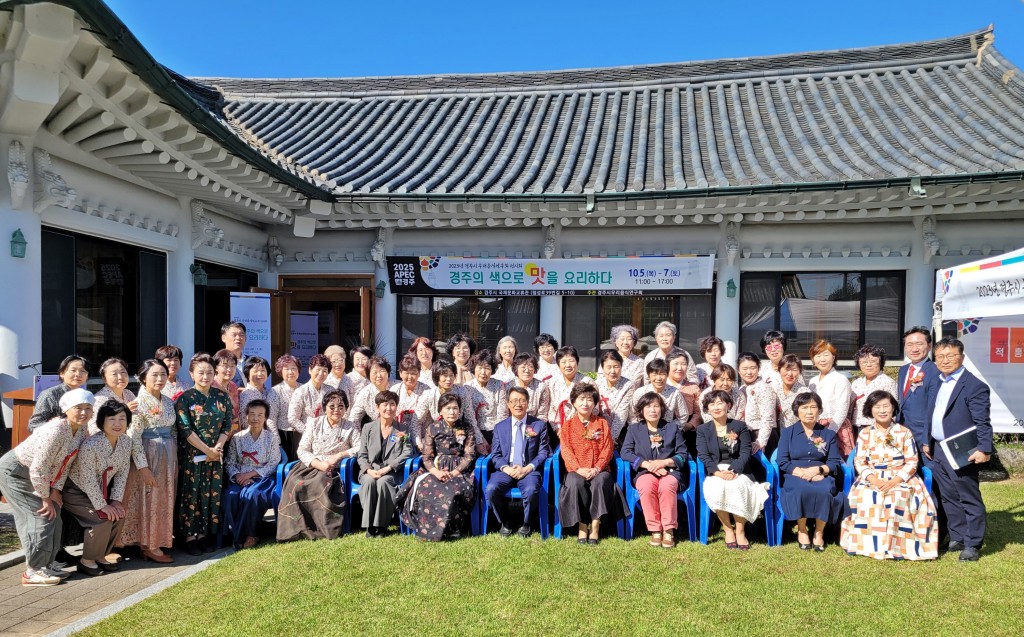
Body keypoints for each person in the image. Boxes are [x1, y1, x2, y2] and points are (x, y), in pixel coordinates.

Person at [0, 388, 93, 586]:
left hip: (41, 477)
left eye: (88, 408)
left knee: (55, 517)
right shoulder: (55, 430)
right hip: (16, 473)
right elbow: (38, 468)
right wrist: (45, 497)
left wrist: (56, 490)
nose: (83, 412)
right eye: (78, 408)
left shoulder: (81, 430)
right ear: (66, 409)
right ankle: (32, 572)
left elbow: (64, 464)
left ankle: (47, 565)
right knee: (41, 516)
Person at [841, 391, 938, 560]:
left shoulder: (904, 432)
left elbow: (912, 461)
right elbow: (859, 461)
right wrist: (874, 480)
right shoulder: (865, 434)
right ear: (870, 410)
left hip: (901, 476)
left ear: (893, 408)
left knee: (897, 496)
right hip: (873, 476)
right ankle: (867, 545)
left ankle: (898, 547)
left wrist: (895, 481)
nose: (882, 410)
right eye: (877, 407)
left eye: (886, 406)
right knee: (868, 495)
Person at [924, 337, 992, 562]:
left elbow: (983, 421)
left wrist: (984, 448)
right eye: (940, 356)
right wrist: (927, 441)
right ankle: (958, 536)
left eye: (951, 355)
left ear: (961, 358)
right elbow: (932, 414)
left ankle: (973, 543)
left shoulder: (974, 385)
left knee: (968, 496)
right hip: (939, 449)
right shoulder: (938, 380)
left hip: (963, 450)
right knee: (948, 496)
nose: (945, 360)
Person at [277, 389, 360, 542]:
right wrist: (318, 464)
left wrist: (340, 455)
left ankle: (322, 529)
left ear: (346, 408)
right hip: (312, 464)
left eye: (341, 406)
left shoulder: (351, 426)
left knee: (321, 483)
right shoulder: (314, 423)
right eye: (332, 406)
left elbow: (359, 447)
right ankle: (296, 529)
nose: (336, 410)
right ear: (324, 408)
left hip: (335, 467)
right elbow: (302, 449)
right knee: (296, 485)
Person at [63, 401, 131, 576]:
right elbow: (87, 479)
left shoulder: (126, 442)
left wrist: (116, 501)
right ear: (101, 422)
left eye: (122, 418)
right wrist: (102, 506)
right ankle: (86, 561)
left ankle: (101, 555)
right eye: (112, 419)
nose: (118, 424)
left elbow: (122, 473)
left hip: (100, 491)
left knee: (119, 514)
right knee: (101, 518)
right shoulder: (90, 445)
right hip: (76, 491)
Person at [174, 353, 233, 555]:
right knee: (192, 493)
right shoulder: (185, 399)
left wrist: (217, 449)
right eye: (200, 372)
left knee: (212, 493)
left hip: (216, 455)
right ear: (191, 374)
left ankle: (205, 534)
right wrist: (207, 450)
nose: (205, 376)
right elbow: (186, 429)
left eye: (209, 372)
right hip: (193, 455)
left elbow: (227, 425)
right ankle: (190, 536)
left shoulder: (221, 396)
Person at [398, 392, 478, 541]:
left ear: (460, 411)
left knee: (452, 489)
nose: (452, 412)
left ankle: (452, 528)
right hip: (436, 468)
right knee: (426, 488)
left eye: (455, 408)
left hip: (460, 470)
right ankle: (425, 529)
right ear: (440, 410)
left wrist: (454, 472)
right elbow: (427, 457)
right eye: (448, 408)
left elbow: (469, 456)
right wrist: (436, 472)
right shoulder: (433, 428)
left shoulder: (467, 428)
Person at [119, 359, 177, 563]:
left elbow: (173, 430)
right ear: (143, 377)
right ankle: (148, 544)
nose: (160, 379)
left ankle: (158, 539)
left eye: (163, 374)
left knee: (163, 497)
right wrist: (143, 467)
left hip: (168, 455)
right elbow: (134, 436)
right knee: (147, 497)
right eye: (154, 375)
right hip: (147, 454)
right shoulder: (138, 403)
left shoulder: (168, 401)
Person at [696, 389, 768, 549]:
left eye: (720, 403)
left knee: (738, 486)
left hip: (739, 470)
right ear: (707, 408)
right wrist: (717, 473)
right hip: (716, 471)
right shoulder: (702, 430)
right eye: (712, 404)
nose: (716, 407)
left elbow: (745, 452)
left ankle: (740, 531)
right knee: (717, 486)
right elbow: (703, 455)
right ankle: (728, 529)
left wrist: (734, 471)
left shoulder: (740, 426)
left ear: (728, 405)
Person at [557, 384, 625, 545]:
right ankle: (581, 526)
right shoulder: (567, 426)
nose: (585, 403)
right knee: (575, 483)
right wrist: (578, 469)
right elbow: (566, 451)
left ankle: (595, 526)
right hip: (576, 469)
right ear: (573, 402)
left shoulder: (602, 423)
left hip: (599, 469)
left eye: (589, 399)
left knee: (600, 482)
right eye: (581, 399)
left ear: (595, 403)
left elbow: (608, 448)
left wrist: (597, 468)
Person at [777, 392, 844, 551]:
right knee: (800, 489)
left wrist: (818, 470)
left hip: (821, 474)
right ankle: (801, 530)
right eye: (804, 407)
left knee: (825, 491)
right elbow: (782, 461)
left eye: (813, 407)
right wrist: (802, 473)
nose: (809, 411)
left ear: (819, 410)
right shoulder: (788, 433)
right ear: (797, 411)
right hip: (795, 473)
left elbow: (834, 463)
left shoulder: (828, 434)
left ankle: (819, 532)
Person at [620, 393, 689, 548]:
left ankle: (669, 530)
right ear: (641, 410)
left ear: (662, 409)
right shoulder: (634, 429)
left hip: (670, 471)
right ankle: (655, 529)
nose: (653, 410)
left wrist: (663, 462)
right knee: (646, 485)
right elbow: (626, 453)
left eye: (656, 406)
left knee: (666, 486)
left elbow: (683, 454)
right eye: (648, 406)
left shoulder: (672, 428)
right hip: (645, 471)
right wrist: (647, 465)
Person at [486, 386, 551, 538]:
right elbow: (495, 455)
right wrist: (507, 469)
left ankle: (527, 523)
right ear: (508, 404)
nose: (518, 404)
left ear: (528, 403)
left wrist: (527, 468)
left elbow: (543, 452)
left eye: (522, 400)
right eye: (514, 401)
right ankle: (505, 521)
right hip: (507, 469)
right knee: (491, 489)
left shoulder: (538, 425)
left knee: (530, 489)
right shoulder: (500, 427)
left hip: (528, 469)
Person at [224, 399, 281, 549]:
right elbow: (229, 462)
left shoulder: (271, 438)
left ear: (265, 418)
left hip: (262, 477)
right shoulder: (238, 438)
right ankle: (233, 533)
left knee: (253, 495)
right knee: (231, 496)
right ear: (246, 416)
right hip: (240, 477)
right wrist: (237, 476)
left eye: (260, 415)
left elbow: (274, 462)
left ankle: (250, 534)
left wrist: (251, 474)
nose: (255, 418)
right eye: (252, 414)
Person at [357, 391, 413, 537]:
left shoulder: (402, 429)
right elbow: (361, 455)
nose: (389, 408)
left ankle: (381, 526)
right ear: (377, 408)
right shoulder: (367, 428)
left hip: (391, 472)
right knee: (369, 482)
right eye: (385, 404)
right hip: (370, 470)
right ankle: (370, 526)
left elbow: (407, 452)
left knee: (383, 482)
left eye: (392, 404)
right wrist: (368, 470)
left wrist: (388, 468)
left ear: (396, 407)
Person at [417, 359, 482, 453]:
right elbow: (417, 421)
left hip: (458, 439)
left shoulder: (462, 392)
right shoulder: (428, 395)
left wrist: (479, 442)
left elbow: (470, 419)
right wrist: (419, 442)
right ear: (437, 377)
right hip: (435, 439)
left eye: (451, 375)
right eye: (445, 375)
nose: (449, 379)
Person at [806, 340, 855, 458]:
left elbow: (842, 410)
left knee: (836, 461)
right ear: (813, 360)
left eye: (826, 355)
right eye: (818, 355)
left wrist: (829, 433)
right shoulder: (812, 381)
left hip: (836, 427)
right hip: (816, 426)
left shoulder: (840, 379)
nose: (822, 359)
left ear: (833, 358)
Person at [896, 326, 939, 448]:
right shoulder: (903, 370)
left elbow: (933, 408)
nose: (914, 349)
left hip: (922, 436)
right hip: (902, 432)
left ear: (929, 346)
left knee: (927, 467)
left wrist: (927, 439)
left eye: (919, 344)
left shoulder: (935, 371)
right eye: (909, 345)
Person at [27, 355, 90, 432]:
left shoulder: (86, 395)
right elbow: (34, 425)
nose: (78, 374)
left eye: (83, 371)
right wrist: (56, 426)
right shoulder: (50, 394)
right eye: (73, 370)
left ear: (87, 376)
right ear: (62, 373)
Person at [736, 352, 778, 455]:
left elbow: (768, 417)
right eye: (745, 369)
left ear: (758, 368)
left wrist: (761, 441)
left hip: (761, 435)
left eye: (753, 368)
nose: (749, 372)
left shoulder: (763, 388)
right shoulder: (741, 389)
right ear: (738, 370)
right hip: (747, 434)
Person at [547, 346, 595, 434]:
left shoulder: (587, 381)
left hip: (583, 430)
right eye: (563, 362)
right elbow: (551, 409)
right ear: (558, 364)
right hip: (559, 431)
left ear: (577, 362)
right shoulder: (552, 383)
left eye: (571, 361)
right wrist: (558, 429)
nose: (568, 365)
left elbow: (594, 409)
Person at [850, 344, 898, 432]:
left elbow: (893, 409)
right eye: (864, 362)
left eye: (873, 361)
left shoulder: (887, 382)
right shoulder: (856, 382)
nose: (868, 365)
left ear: (880, 362)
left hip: (878, 427)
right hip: (855, 426)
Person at [496, 352, 551, 426]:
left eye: (531, 367)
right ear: (516, 369)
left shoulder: (542, 387)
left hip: (533, 425)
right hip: (511, 425)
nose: (527, 370)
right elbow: (503, 413)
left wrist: (533, 430)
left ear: (535, 369)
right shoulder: (507, 387)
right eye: (523, 367)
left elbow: (542, 414)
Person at [596, 351, 636, 446]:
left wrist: (611, 437)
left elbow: (622, 413)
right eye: (609, 367)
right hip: (598, 430)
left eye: (616, 366)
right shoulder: (596, 384)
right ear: (602, 368)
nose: (612, 371)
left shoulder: (628, 385)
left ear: (621, 367)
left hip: (620, 431)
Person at [464, 350, 506, 441]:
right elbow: (469, 416)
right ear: (474, 368)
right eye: (479, 367)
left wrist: (497, 437)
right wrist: (480, 439)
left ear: (492, 370)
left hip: (495, 431)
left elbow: (502, 414)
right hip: (474, 431)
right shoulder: (467, 387)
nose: (483, 372)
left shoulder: (498, 385)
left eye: (487, 368)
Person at [89, 357, 138, 433]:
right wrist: (124, 411)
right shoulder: (100, 399)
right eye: (114, 374)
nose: (120, 377)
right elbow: (94, 429)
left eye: (123, 372)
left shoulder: (129, 393)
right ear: (104, 379)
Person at [632, 359, 689, 424]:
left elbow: (683, 415)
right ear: (648, 376)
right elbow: (633, 414)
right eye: (654, 374)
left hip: (667, 432)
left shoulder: (675, 393)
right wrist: (638, 430)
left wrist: (671, 429)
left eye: (662, 374)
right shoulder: (640, 392)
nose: (658, 378)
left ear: (667, 375)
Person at [287, 353, 330, 439]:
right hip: (306, 436)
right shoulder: (301, 391)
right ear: (310, 370)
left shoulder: (331, 390)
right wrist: (309, 432)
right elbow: (292, 418)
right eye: (318, 370)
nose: (321, 373)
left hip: (327, 435)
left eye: (325, 371)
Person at [269, 354, 302, 462]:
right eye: (286, 369)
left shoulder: (304, 388)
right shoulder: (275, 391)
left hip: (302, 434)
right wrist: (276, 441)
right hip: (283, 435)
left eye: (293, 368)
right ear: (280, 371)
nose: (290, 372)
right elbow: (270, 419)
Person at [391, 354, 431, 438]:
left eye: (413, 373)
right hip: (397, 433)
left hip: (421, 434)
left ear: (419, 374)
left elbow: (418, 419)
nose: (410, 377)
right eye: (406, 373)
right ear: (400, 373)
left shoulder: (427, 391)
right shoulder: (394, 390)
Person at [348, 356, 393, 428]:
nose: (379, 375)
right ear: (368, 375)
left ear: (388, 372)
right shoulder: (365, 393)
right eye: (374, 372)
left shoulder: (398, 387)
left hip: (399, 431)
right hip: (376, 432)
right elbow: (354, 418)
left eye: (382, 371)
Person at [666, 349, 702, 433]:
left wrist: (689, 425)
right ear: (668, 365)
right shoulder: (661, 386)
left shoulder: (694, 388)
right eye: (676, 364)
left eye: (683, 364)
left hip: (687, 430)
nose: (680, 368)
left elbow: (699, 412)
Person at [239, 356, 277, 433]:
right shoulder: (246, 394)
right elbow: (245, 422)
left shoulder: (269, 392)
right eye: (255, 371)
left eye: (263, 370)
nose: (260, 374)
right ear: (248, 374)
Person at [773, 354, 809, 429]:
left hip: (798, 433)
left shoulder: (805, 392)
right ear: (779, 370)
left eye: (794, 370)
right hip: (779, 433)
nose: (790, 374)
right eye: (786, 369)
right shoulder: (775, 390)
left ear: (799, 372)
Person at [212, 349, 241, 433]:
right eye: (225, 366)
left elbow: (235, 412)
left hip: (233, 433)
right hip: (214, 434)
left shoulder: (233, 386)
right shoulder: (210, 386)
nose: (229, 370)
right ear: (215, 367)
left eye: (232, 366)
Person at [220, 321, 248, 387]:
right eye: (234, 335)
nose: (238, 338)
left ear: (245, 338)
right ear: (223, 338)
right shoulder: (217, 362)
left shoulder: (252, 361)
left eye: (241, 335)